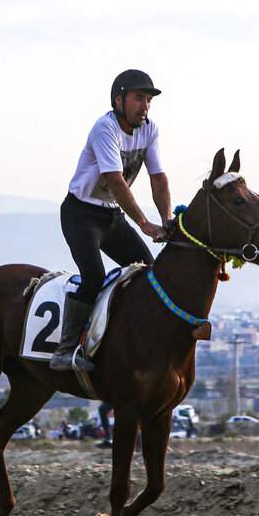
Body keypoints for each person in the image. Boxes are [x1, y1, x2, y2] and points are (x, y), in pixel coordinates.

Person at [50, 69, 173, 371]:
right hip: (81, 214)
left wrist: (167, 220)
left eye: (148, 100)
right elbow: (116, 182)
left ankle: (131, 338)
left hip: (111, 216)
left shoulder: (150, 129)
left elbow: (158, 178)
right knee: (92, 276)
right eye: (138, 98)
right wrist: (145, 224)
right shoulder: (105, 129)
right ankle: (65, 351)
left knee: (149, 274)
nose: (144, 105)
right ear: (119, 100)